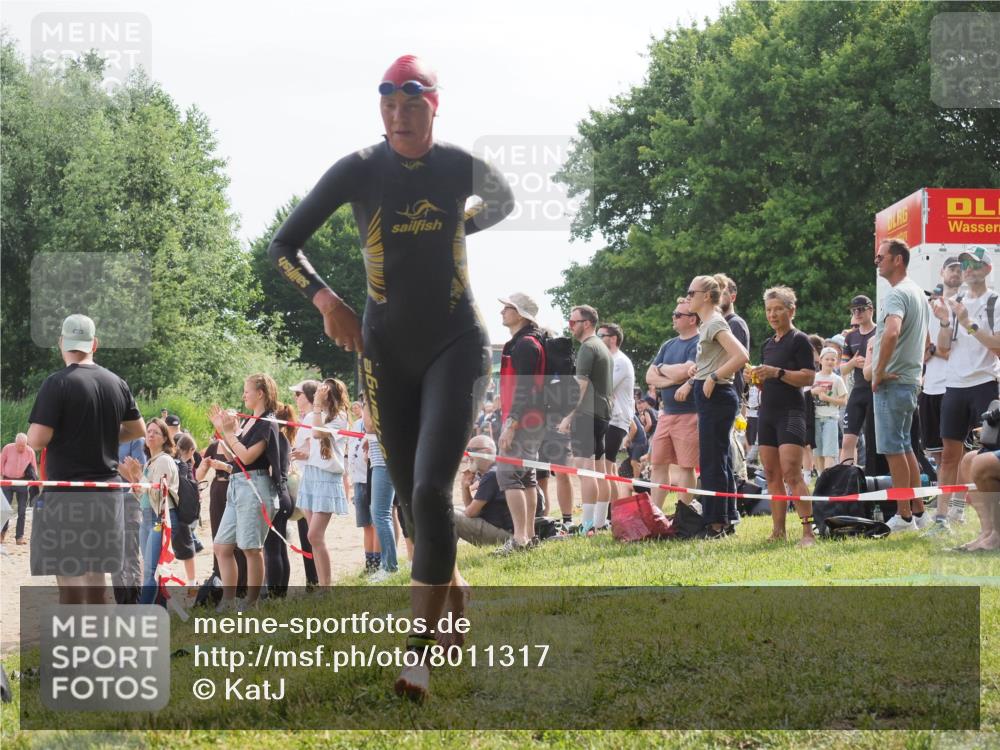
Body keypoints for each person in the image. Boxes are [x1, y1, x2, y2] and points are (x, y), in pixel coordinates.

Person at [268, 54, 514, 699]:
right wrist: (327, 302)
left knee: (431, 492)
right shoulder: (360, 168)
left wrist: (461, 227)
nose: (398, 115)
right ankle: (452, 588)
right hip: (383, 352)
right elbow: (282, 245)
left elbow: (506, 198)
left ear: (435, 105)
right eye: (388, 104)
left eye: (412, 104)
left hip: (457, 343)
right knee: (410, 503)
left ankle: (418, 656)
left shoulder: (457, 164)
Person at [26, 314, 146, 604]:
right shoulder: (116, 382)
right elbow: (137, 429)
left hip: (67, 496)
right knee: (96, 579)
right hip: (106, 493)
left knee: (70, 581)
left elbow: (37, 439)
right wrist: (101, 436)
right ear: (95, 344)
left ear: (61, 343)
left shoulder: (57, 383)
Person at [928, 247, 1000, 533]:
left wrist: (968, 322)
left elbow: (996, 346)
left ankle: (989, 526)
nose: (968, 268)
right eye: (964, 263)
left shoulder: (994, 301)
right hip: (954, 385)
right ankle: (942, 518)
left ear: (988, 269)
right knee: (949, 454)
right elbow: (944, 347)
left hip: (984, 383)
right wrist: (946, 320)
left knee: (986, 454)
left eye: (974, 263)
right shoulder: (954, 300)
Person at [208, 374, 282, 610]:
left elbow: (249, 456)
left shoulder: (267, 422)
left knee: (251, 548)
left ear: (260, 393)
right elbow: (233, 457)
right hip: (237, 484)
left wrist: (229, 433)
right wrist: (222, 430)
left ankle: (252, 603)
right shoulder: (250, 421)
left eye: (246, 391)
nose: (243, 395)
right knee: (222, 546)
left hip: (255, 487)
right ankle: (229, 600)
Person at [871, 239, 931, 532]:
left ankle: (904, 516)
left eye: (880, 257)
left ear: (897, 259)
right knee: (905, 447)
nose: (877, 262)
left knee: (894, 449)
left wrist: (878, 371)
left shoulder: (897, 294)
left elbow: (892, 332)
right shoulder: (918, 292)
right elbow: (927, 342)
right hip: (909, 381)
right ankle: (918, 511)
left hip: (893, 383)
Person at [751, 287, 817, 546]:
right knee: (770, 473)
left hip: (791, 412)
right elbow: (768, 380)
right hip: (766, 412)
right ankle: (778, 530)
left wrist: (777, 372)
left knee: (792, 473)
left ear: (791, 310)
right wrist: (756, 377)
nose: (773, 314)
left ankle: (808, 532)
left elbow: (809, 376)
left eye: (778, 309)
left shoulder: (799, 339)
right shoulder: (767, 344)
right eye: (769, 310)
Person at [686, 275, 749, 537]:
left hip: (718, 393)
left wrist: (713, 376)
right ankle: (724, 518)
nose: (688, 297)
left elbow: (741, 356)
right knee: (715, 459)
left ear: (707, 297)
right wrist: (699, 371)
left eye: (692, 292)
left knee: (714, 461)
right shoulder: (707, 324)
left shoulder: (714, 322)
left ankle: (717, 522)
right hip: (709, 392)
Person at [495, 293, 546, 554]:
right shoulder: (525, 342)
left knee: (509, 475)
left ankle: (520, 539)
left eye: (508, 307)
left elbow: (526, 388)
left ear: (521, 314)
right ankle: (528, 536)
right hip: (531, 420)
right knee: (527, 477)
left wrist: (512, 422)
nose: (502, 311)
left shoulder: (526, 344)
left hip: (523, 420)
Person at [558, 304, 613, 534]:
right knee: (600, 470)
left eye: (573, 322)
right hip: (601, 414)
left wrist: (568, 416)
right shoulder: (601, 346)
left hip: (587, 415)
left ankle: (588, 526)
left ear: (586, 323)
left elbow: (580, 386)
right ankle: (599, 523)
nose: (570, 326)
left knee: (586, 470)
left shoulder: (588, 348)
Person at [644, 298, 700, 511]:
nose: (673, 318)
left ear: (692, 319)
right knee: (658, 464)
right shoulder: (668, 344)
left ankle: (684, 514)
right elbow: (650, 376)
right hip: (666, 414)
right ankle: (655, 513)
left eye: (678, 315)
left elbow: (686, 371)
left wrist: (663, 369)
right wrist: (673, 377)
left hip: (690, 413)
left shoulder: (698, 343)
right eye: (674, 314)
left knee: (686, 467)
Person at [296, 378, 350, 586]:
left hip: (328, 478)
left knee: (315, 535)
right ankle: (321, 585)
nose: (320, 393)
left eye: (324, 391)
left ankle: (327, 586)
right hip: (311, 474)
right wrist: (304, 454)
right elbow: (313, 444)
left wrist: (317, 404)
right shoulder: (313, 415)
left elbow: (318, 433)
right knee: (313, 539)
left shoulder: (340, 417)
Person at [119, 419, 179, 604]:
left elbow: (159, 496)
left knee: (151, 571)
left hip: (160, 518)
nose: (150, 435)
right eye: (149, 431)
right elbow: (143, 495)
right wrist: (134, 478)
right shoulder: (150, 463)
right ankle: (160, 610)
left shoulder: (164, 461)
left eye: (156, 432)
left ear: (164, 439)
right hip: (147, 517)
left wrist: (138, 476)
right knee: (154, 571)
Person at [456, 435, 524, 545]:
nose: (467, 455)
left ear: (486, 452)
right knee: (455, 510)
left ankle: (443, 557)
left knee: (449, 514)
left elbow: (471, 513)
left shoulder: (491, 475)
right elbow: (472, 510)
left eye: (470, 450)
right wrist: (465, 487)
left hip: (507, 536)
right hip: (506, 530)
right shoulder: (494, 470)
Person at [288, 380, 321, 585]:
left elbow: (311, 448)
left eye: (298, 394)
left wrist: (296, 454)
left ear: (308, 396)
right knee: (306, 533)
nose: (295, 398)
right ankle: (313, 578)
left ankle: (316, 579)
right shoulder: (305, 417)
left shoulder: (311, 417)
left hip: (310, 479)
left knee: (311, 534)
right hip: (304, 478)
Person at [598, 322, 635, 501]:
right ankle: (615, 510)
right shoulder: (609, 360)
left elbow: (603, 388)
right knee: (609, 467)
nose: (596, 340)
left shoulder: (620, 361)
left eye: (600, 336)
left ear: (613, 339)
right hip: (610, 418)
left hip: (617, 420)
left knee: (606, 466)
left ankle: (610, 513)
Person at [264, 402, 296, 597]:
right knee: (280, 547)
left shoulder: (275, 437)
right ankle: (281, 593)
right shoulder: (283, 437)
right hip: (284, 495)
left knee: (272, 549)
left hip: (277, 494)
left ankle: (275, 594)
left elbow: (271, 469)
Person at [839, 295, 876, 463]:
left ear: (871, 310)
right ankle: (845, 478)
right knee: (848, 440)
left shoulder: (879, 333)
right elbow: (842, 368)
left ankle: (875, 478)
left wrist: (868, 365)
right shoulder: (850, 337)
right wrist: (853, 362)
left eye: (860, 309)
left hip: (876, 390)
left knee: (874, 441)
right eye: (854, 310)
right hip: (858, 390)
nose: (857, 313)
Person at [113, 433, 145, 604]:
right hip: (107, 501)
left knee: (130, 554)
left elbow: (137, 477)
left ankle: (134, 602)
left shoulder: (135, 440)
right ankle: (121, 603)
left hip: (129, 501)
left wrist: (111, 460)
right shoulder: (104, 438)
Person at [347, 399, 379, 574]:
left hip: (375, 477)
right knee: (366, 524)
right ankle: (370, 563)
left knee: (377, 523)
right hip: (359, 479)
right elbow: (352, 450)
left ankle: (378, 561)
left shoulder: (378, 423)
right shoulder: (356, 425)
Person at [811, 347, 849, 475]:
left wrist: (827, 398)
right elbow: (804, 393)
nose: (830, 362)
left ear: (837, 362)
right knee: (817, 451)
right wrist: (813, 391)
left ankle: (827, 477)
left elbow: (844, 400)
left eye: (833, 359)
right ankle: (821, 477)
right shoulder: (813, 377)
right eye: (827, 359)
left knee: (829, 452)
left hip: (831, 419)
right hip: (815, 418)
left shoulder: (837, 379)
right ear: (821, 360)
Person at [1, 433, 37, 545]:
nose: (21, 448)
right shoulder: (7, 448)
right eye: (19, 445)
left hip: (22, 481)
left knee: (22, 511)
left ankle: (19, 537)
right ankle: (2, 533)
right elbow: (1, 463)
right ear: (15, 443)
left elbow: (34, 468)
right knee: (4, 509)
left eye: (23, 445)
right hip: (7, 481)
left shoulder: (30, 451)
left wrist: (33, 481)